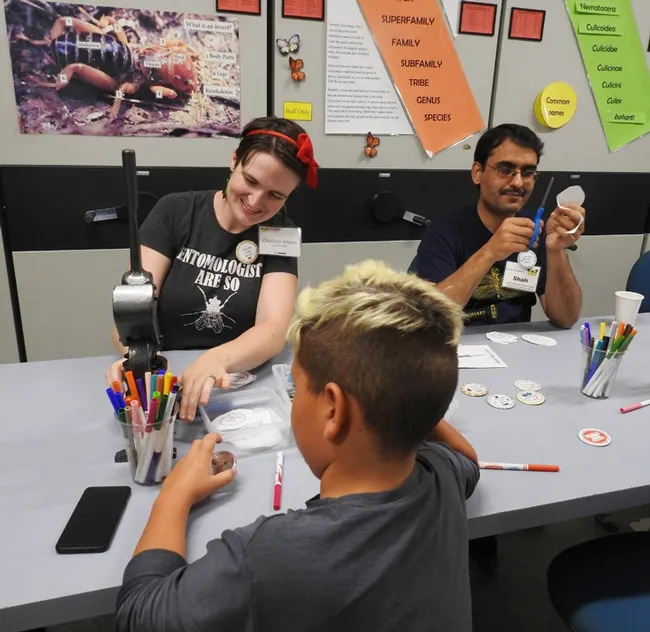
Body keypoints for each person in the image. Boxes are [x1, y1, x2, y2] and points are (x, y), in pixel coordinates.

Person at [115, 260, 480, 632]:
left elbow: (139, 615)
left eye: (296, 384)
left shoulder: (272, 555)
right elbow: (468, 460)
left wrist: (175, 494)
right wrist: (408, 397)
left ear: (333, 410)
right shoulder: (443, 478)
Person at [106, 116, 319, 421]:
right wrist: (138, 358)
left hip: (234, 383)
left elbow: (273, 330)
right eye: (251, 181)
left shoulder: (280, 233)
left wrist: (216, 360)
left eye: (275, 195)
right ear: (234, 161)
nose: (255, 202)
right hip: (165, 380)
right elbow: (131, 310)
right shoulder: (175, 211)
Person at [409, 123, 585, 328]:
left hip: (515, 348)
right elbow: (429, 317)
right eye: (505, 169)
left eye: (528, 172)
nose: (518, 182)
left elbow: (566, 318)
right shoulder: (445, 232)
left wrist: (556, 250)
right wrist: (490, 252)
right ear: (477, 172)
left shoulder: (538, 230)